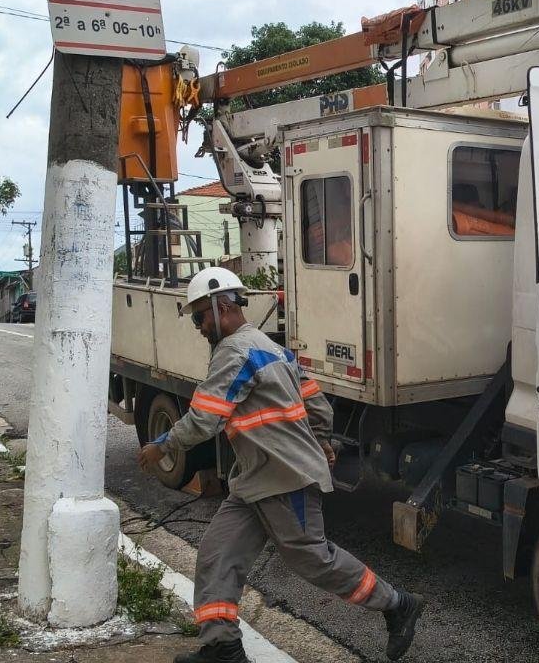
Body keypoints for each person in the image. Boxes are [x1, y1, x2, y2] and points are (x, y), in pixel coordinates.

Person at [137, 267, 425, 663]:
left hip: (284, 477)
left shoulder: (234, 351)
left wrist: (163, 445)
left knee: (313, 558)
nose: (199, 327)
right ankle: (222, 647)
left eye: (200, 317)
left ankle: (397, 604)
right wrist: (321, 439)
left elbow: (205, 417)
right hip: (255, 479)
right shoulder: (273, 349)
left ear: (222, 307)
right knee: (218, 552)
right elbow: (318, 403)